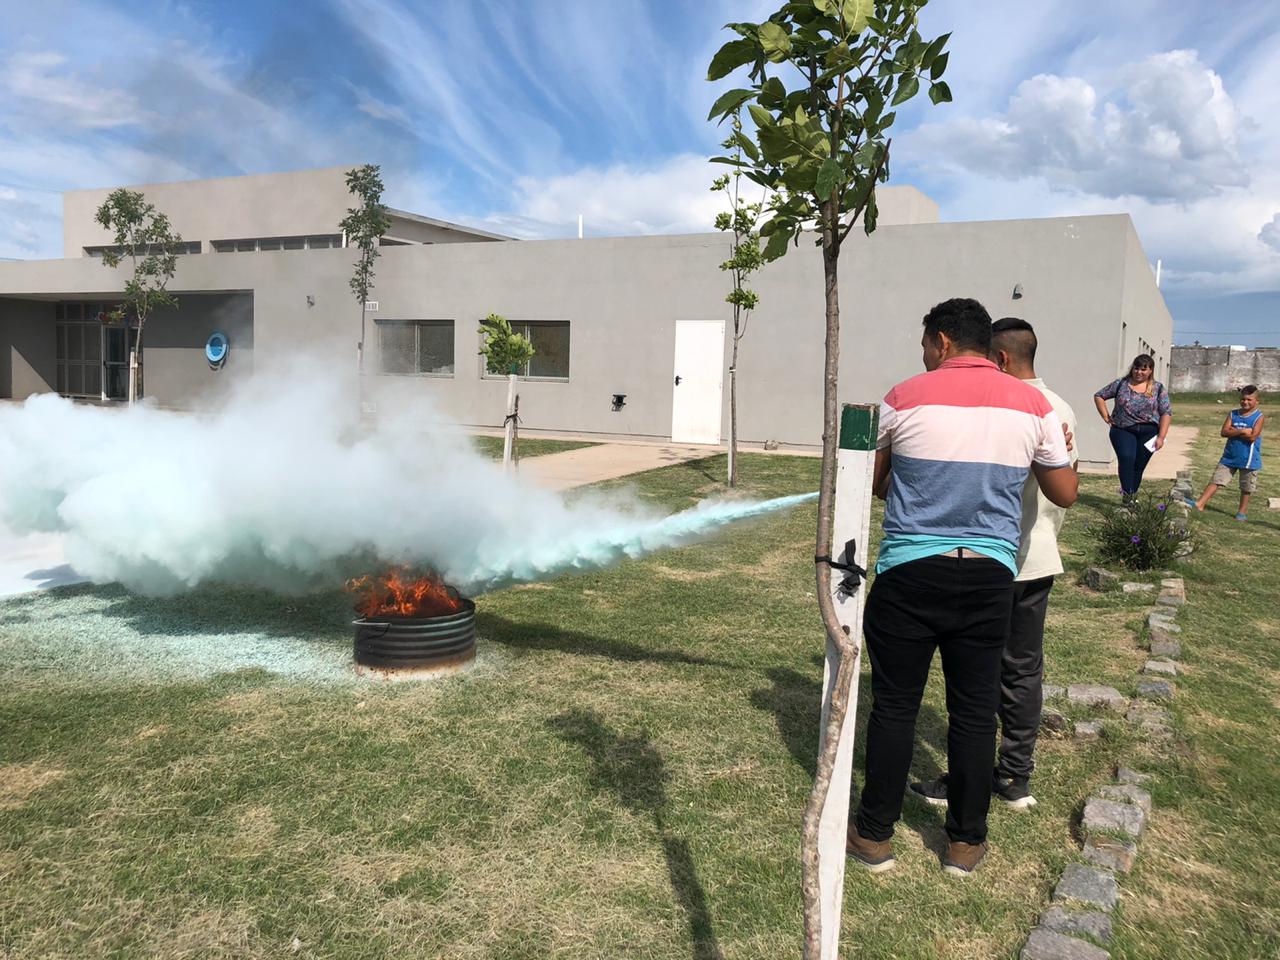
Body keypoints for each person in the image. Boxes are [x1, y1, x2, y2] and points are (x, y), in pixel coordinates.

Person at [845, 299, 1077, 878]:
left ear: (943, 342)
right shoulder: (1036, 405)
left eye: (925, 344)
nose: (922, 355)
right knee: (975, 712)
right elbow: (1065, 492)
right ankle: (966, 844)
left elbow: (872, 486)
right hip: (990, 576)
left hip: (909, 573)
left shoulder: (903, 396)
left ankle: (874, 836)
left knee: (896, 706)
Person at [907, 317, 1078, 814]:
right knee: (1023, 671)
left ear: (999, 360)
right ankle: (1015, 774)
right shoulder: (1060, 407)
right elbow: (1067, 488)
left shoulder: (1006, 406)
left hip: (994, 558)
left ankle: (970, 781)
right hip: (1039, 554)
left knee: (975, 679)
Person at [1093, 355, 1172, 496]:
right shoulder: (1121, 384)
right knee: (1126, 458)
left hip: (1149, 431)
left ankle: (1130, 495)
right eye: (1136, 368)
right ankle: (1128, 495)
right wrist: (1106, 416)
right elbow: (1099, 395)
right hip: (1123, 430)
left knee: (1139, 465)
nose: (1139, 372)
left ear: (1150, 371)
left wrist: (1161, 436)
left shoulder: (1158, 388)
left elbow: (1166, 412)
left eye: (1143, 369)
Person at [1185, 385, 1264, 521]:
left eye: (1249, 400)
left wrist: (1234, 431)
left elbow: (1252, 437)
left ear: (1257, 401)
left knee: (1246, 487)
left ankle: (1241, 513)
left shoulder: (1259, 417)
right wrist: (1242, 431)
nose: (1245, 402)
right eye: (1243, 399)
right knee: (1217, 480)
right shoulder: (1233, 414)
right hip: (1229, 457)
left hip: (1249, 459)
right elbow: (1224, 432)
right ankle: (1200, 503)